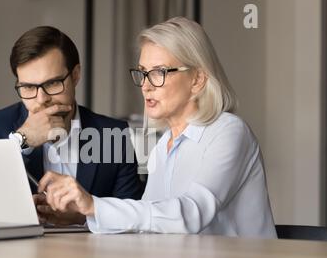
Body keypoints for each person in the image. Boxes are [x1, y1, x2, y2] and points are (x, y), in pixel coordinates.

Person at [36, 17, 277, 238]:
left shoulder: (229, 132)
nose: (146, 86)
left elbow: (190, 215)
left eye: (159, 72)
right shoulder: (164, 144)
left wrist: (94, 205)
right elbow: (151, 223)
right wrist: (83, 216)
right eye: (143, 73)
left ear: (197, 79)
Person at [0, 26, 144, 226]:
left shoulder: (114, 134)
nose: (41, 99)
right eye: (28, 87)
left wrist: (85, 218)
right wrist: (22, 140)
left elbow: (134, 220)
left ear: (75, 75)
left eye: (53, 83)